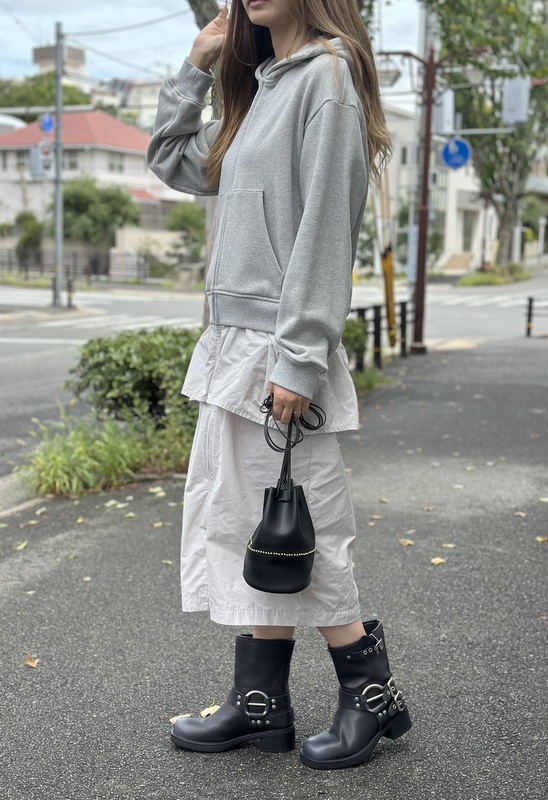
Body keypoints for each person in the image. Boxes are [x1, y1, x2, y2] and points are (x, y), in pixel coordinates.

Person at [148, 0, 411, 770]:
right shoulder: (263, 87)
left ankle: (372, 694)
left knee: (308, 527)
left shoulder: (327, 76)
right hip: (236, 345)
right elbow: (171, 159)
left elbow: (327, 227)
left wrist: (297, 359)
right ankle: (261, 703)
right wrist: (197, 64)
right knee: (259, 525)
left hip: (277, 349)